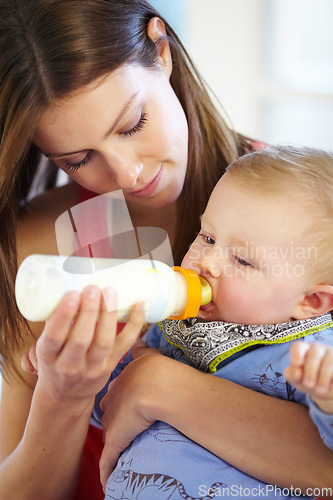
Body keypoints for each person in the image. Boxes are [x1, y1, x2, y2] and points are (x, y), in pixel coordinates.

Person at [0, 0, 331, 498]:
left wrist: (160, 386)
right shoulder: (48, 246)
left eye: (132, 123)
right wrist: (62, 399)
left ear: (162, 50)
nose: (126, 175)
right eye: (78, 159)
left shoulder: (305, 218)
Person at [97, 145, 333, 499]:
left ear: (310, 301)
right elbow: (116, 407)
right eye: (207, 237)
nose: (206, 262)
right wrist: (83, 372)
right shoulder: (175, 323)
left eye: (242, 260)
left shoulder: (310, 354)